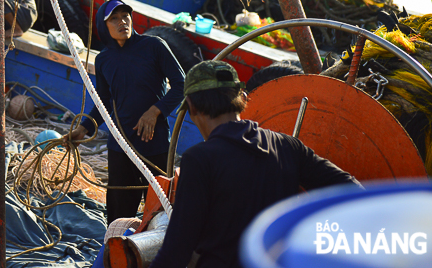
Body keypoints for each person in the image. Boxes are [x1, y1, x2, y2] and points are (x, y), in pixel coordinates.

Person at [149, 60, 361, 268]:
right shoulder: (288, 147)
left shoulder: (199, 160)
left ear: (192, 107)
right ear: (243, 97)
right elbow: (352, 190)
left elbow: (176, 253)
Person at [66, 0, 185, 224]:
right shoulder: (103, 61)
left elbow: (182, 84)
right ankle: (117, 253)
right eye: (114, 18)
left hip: (155, 143)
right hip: (120, 146)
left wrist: (155, 111)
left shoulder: (154, 46)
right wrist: (84, 129)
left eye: (125, 16)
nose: (123, 21)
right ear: (104, 26)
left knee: (162, 212)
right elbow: (103, 101)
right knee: (119, 215)